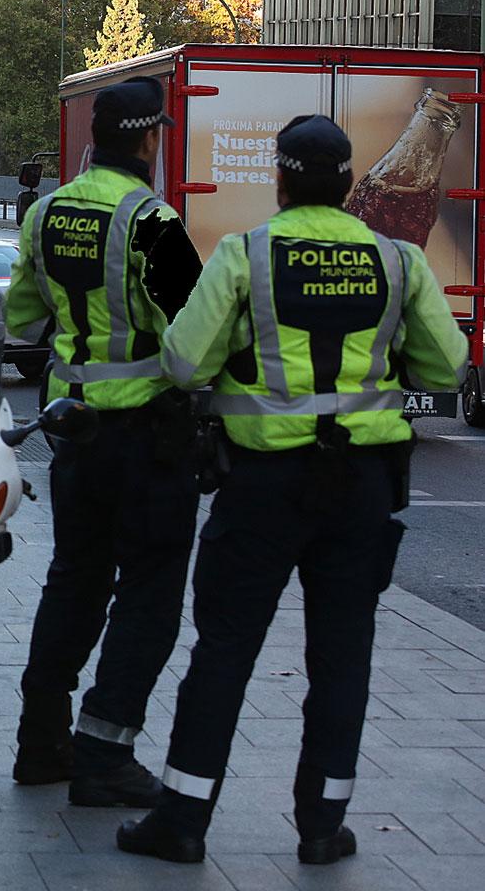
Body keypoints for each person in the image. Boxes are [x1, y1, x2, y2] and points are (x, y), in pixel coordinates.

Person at [118, 115, 469, 865]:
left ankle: (181, 820)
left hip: (262, 490)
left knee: (225, 652)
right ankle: (322, 827)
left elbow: (183, 364)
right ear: (348, 183)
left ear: (279, 179)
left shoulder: (247, 255)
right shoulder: (399, 261)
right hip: (362, 491)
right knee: (342, 659)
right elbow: (445, 370)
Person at [4, 76, 204, 809]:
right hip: (147, 436)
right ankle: (104, 752)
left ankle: (40, 741)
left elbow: (23, 319)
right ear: (150, 139)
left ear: (96, 137)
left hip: (73, 432)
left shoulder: (47, 212)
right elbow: (195, 341)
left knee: (74, 583)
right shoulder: (153, 222)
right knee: (149, 597)